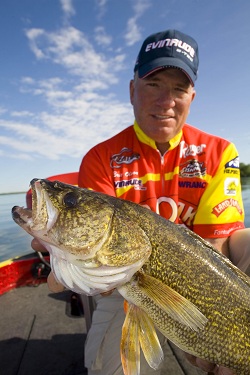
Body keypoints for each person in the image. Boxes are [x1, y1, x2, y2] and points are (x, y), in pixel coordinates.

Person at [32, 29, 250, 375]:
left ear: (192, 95)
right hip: (124, 283)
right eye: (153, 84)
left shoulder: (220, 152)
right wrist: (72, 264)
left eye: (179, 88)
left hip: (203, 270)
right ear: (132, 89)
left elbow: (218, 244)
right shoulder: (101, 157)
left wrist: (211, 318)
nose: (166, 100)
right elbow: (105, 266)